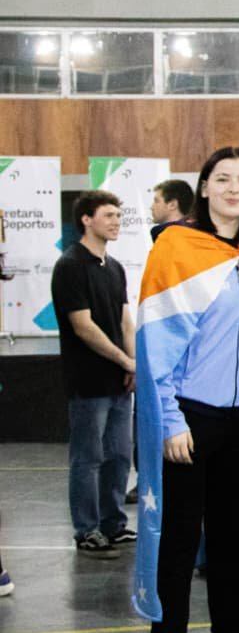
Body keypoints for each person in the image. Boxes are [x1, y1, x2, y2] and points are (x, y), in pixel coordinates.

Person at [134, 146, 239, 633]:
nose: (235, 188)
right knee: (180, 539)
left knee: (229, 540)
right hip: (190, 417)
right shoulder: (176, 248)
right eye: (224, 179)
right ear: (205, 188)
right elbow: (155, 348)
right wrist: (169, 421)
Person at [51, 189, 136, 558]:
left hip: (119, 380)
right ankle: (86, 529)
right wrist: (124, 360)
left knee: (119, 455)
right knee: (88, 458)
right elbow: (83, 327)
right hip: (88, 381)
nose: (117, 222)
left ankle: (112, 524)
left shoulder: (114, 268)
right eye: (109, 215)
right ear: (87, 219)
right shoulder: (70, 266)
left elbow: (124, 320)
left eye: (119, 215)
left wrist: (134, 364)